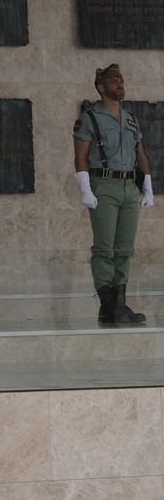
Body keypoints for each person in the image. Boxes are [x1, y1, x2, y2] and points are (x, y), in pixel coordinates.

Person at [74, 63, 152, 326]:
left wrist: (147, 184)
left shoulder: (130, 118)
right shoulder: (90, 117)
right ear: (101, 87)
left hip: (129, 186)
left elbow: (139, 152)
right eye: (114, 81)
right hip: (103, 185)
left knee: (124, 248)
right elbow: (81, 155)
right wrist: (85, 187)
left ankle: (120, 303)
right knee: (105, 247)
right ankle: (107, 306)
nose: (120, 84)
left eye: (121, 80)